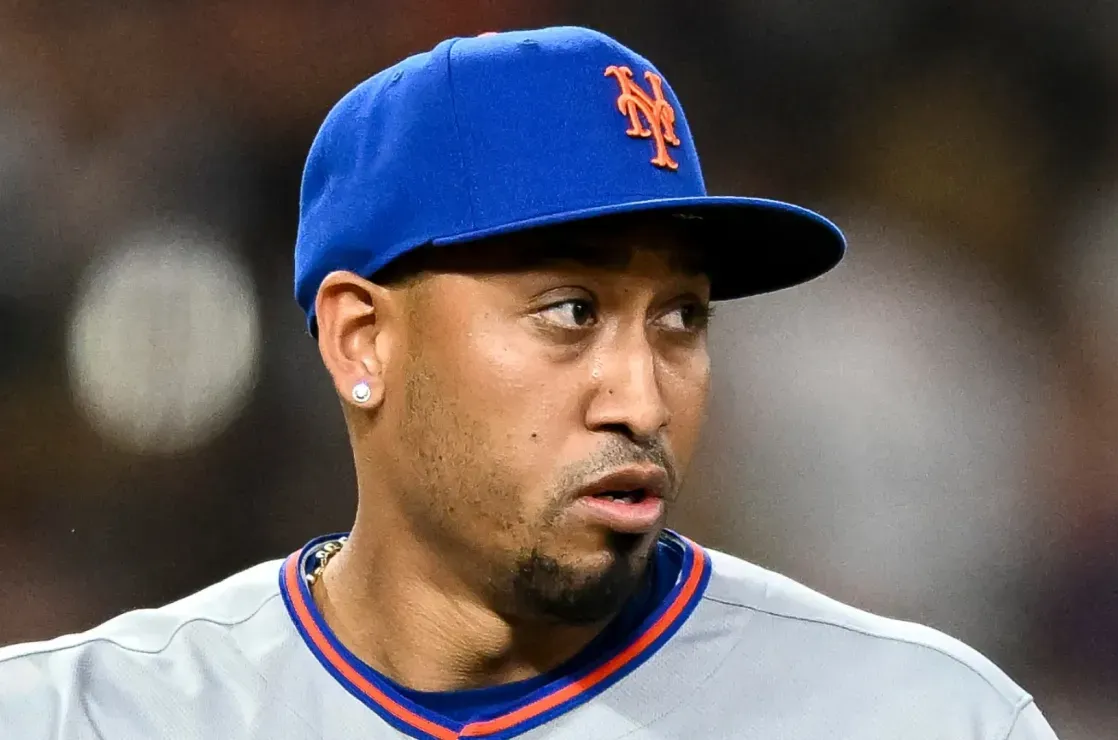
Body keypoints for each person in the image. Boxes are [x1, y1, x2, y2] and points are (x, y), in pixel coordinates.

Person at [0, 26, 1059, 739]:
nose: (642, 400)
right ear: (361, 341)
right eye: (571, 311)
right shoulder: (74, 717)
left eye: (681, 318)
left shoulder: (920, 717)